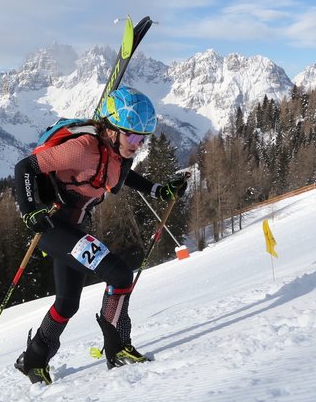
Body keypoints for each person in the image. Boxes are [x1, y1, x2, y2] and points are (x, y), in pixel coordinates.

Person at [12, 86, 187, 384]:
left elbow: (121, 175)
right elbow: (25, 167)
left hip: (75, 229)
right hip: (53, 226)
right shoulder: (82, 148)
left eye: (142, 138)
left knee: (67, 303)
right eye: (132, 136)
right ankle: (117, 347)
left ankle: (33, 360)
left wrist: (158, 190)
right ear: (112, 130)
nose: (138, 144)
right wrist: (29, 210)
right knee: (119, 275)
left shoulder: (115, 153)